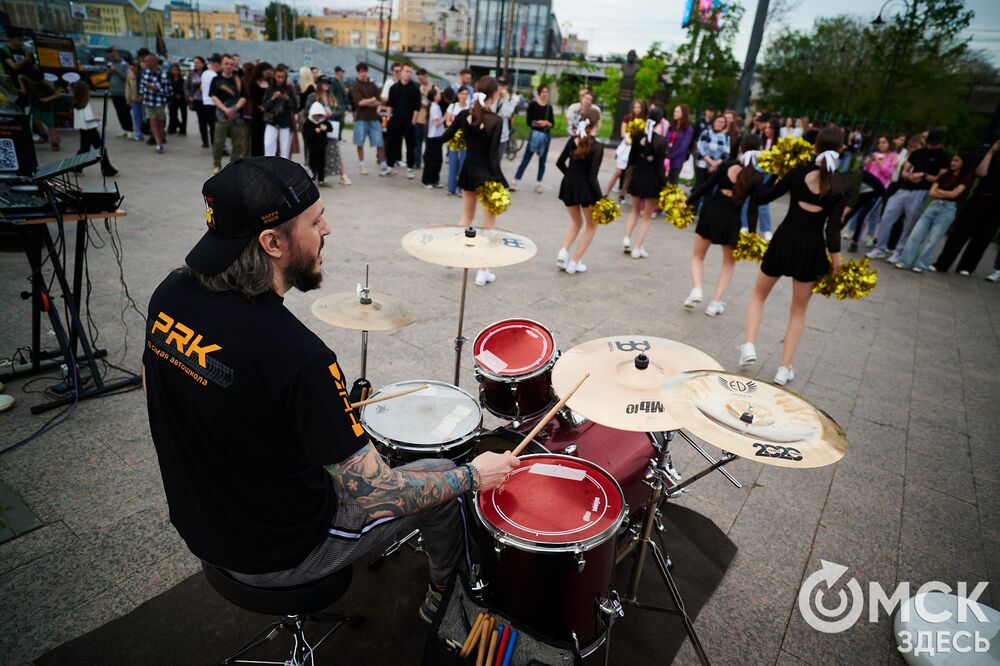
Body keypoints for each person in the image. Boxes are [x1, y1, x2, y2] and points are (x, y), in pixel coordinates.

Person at [142, 157, 518, 624]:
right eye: (316, 221)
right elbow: (380, 495)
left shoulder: (170, 294)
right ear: (273, 242)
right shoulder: (296, 355)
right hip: (279, 552)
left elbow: (161, 390)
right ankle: (449, 598)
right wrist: (474, 475)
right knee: (444, 476)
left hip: (200, 525)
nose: (328, 230)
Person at [739, 128, 849, 386]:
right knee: (798, 311)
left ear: (814, 147)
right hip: (811, 250)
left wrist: (776, 175)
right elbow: (832, 230)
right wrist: (837, 263)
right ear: (842, 149)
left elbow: (761, 198)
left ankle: (749, 345)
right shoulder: (841, 185)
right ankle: (783, 369)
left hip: (783, 241)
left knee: (758, 296)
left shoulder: (798, 172)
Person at [685, 135, 763, 316]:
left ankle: (697, 289)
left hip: (711, 214)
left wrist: (688, 202)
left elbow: (706, 186)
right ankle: (715, 303)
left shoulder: (727, 165)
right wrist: (751, 234)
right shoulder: (756, 176)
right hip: (731, 220)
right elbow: (753, 209)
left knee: (698, 256)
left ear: (741, 148)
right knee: (728, 264)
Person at [440, 77, 507, 286]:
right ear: (494, 94)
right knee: (489, 225)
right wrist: (500, 180)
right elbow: (493, 155)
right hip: (486, 176)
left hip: (468, 171)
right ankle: (483, 271)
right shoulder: (495, 120)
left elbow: (445, 137)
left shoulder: (464, 115)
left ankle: (451, 256)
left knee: (467, 215)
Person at [867, 128, 950, 263]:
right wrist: (910, 176)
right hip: (904, 189)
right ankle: (879, 248)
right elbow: (904, 171)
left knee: (909, 224)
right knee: (887, 217)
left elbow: (941, 178)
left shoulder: (943, 157)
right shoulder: (918, 153)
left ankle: (899, 252)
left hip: (921, 191)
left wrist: (923, 175)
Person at [933, 139, 1000, 276]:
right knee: (959, 232)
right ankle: (942, 263)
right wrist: (991, 151)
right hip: (980, 198)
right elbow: (980, 173)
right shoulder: (994, 157)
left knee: (983, 237)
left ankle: (967, 267)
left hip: (997, 206)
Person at [895, 153, 970, 272]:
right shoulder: (944, 175)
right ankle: (905, 261)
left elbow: (954, 194)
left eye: (956, 161)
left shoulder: (965, 177)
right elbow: (931, 192)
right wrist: (945, 193)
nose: (952, 163)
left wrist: (940, 191)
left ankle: (920, 265)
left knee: (933, 240)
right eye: (952, 160)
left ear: (963, 163)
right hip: (933, 206)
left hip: (948, 209)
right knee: (915, 235)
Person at [555, 108, 603, 275]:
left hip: (568, 186)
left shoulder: (573, 139)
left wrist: (570, 176)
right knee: (591, 226)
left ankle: (563, 252)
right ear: (597, 123)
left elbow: (559, 163)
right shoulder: (597, 146)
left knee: (576, 222)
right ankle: (574, 262)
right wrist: (601, 198)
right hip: (586, 190)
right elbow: (592, 177)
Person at [623, 109, 668, 259]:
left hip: (637, 177)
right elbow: (660, 167)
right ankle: (637, 248)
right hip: (651, 181)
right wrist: (664, 185)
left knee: (634, 211)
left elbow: (631, 159)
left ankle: (627, 238)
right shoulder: (661, 140)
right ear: (660, 122)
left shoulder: (637, 136)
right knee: (646, 216)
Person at [844, 135, 897, 252]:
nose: (881, 145)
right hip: (865, 188)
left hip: (877, 190)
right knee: (851, 211)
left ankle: (855, 242)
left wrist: (879, 163)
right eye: (879, 142)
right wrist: (867, 163)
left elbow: (889, 174)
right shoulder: (874, 154)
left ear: (889, 143)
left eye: (884, 142)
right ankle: (835, 233)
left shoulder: (893, 156)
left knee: (863, 216)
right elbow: (866, 172)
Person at [305, 76, 351, 186]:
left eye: (328, 83)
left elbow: (341, 110)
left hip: (330, 128)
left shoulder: (332, 97)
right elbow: (307, 112)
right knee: (314, 155)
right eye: (324, 82)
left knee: (335, 152)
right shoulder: (313, 97)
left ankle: (342, 175)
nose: (326, 85)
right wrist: (319, 115)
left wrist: (332, 114)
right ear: (319, 84)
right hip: (316, 130)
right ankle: (313, 177)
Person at [210, 54, 249, 174]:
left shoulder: (239, 80)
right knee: (218, 143)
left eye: (231, 64)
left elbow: (244, 97)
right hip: (221, 117)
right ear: (221, 64)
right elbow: (213, 96)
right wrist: (225, 109)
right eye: (226, 63)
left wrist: (234, 109)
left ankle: (232, 167)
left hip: (237, 117)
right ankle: (217, 164)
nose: (229, 66)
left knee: (237, 144)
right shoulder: (216, 80)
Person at [511, 84, 554, 194]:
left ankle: (538, 184)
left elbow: (552, 124)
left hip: (545, 136)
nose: (545, 94)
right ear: (539, 93)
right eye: (543, 91)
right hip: (534, 135)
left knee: (542, 161)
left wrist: (547, 123)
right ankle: (515, 181)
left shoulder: (549, 107)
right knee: (526, 159)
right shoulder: (533, 105)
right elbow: (528, 122)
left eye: (546, 92)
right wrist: (538, 123)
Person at [71, 81, 117, 177]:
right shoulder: (85, 103)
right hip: (90, 130)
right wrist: (98, 118)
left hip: (83, 129)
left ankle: (76, 167)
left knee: (84, 149)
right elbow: (88, 118)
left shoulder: (76, 103)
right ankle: (107, 169)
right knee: (100, 149)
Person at [350, 62, 388, 176]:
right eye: (361, 71)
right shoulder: (356, 86)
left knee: (380, 142)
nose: (363, 74)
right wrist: (372, 100)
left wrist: (368, 102)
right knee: (360, 143)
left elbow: (379, 101)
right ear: (358, 73)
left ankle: (384, 166)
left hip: (373, 118)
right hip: (360, 119)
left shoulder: (373, 85)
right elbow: (359, 103)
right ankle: (362, 166)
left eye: (365, 71)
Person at [606, 99, 647, 203]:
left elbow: (644, 135)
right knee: (618, 172)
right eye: (635, 107)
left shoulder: (644, 121)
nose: (637, 109)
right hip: (626, 146)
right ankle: (606, 193)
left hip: (635, 149)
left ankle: (622, 194)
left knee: (629, 173)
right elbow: (623, 132)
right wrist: (626, 138)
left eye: (639, 107)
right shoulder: (627, 118)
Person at [384, 64, 421, 178]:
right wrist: (388, 118)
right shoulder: (394, 88)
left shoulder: (415, 88)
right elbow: (389, 104)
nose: (408, 74)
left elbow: (417, 107)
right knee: (391, 144)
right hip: (395, 120)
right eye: (406, 71)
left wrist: (413, 121)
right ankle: (389, 166)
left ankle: (410, 168)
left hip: (409, 121)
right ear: (401, 72)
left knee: (410, 146)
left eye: (410, 72)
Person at [693, 114, 731, 211]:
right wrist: (711, 162)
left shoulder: (726, 137)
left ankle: (704, 213)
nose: (720, 124)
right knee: (699, 187)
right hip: (702, 165)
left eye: (722, 122)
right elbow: (700, 148)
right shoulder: (706, 132)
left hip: (715, 168)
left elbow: (726, 154)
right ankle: (693, 210)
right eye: (718, 121)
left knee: (710, 191)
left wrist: (715, 164)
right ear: (714, 122)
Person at [262, 64, 297, 159]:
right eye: (278, 76)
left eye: (282, 77)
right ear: (274, 76)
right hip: (271, 120)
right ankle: (269, 165)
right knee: (268, 145)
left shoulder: (289, 89)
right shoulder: (270, 89)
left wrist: (287, 98)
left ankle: (283, 167)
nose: (280, 79)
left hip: (285, 121)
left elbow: (294, 107)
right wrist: (273, 98)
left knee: (284, 149)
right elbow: (264, 106)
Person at [24, 68, 62, 151]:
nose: (29, 80)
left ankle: (54, 142)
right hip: (36, 107)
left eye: (31, 79)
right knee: (37, 122)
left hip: (47, 108)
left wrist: (47, 99)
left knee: (50, 125)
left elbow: (57, 94)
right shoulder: (29, 83)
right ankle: (44, 135)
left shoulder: (45, 86)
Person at [139, 54, 170, 153]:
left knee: (160, 122)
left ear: (154, 62)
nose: (145, 63)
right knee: (152, 121)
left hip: (159, 103)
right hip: (148, 102)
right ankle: (158, 144)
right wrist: (141, 95)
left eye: (147, 61)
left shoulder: (163, 74)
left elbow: (168, 91)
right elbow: (142, 86)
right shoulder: (145, 73)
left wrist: (155, 89)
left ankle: (161, 140)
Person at [444, 86, 470, 196]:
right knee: (453, 162)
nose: (464, 96)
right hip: (454, 138)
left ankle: (461, 187)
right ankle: (451, 188)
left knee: (463, 163)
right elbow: (447, 122)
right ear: (458, 95)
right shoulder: (452, 106)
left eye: (466, 94)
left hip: (465, 139)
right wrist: (456, 126)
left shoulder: (470, 108)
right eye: (462, 94)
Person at [246, 61, 273, 157]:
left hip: (269, 115)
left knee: (268, 139)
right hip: (257, 114)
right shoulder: (253, 84)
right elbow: (255, 99)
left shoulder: (271, 83)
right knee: (257, 137)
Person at [421, 87, 446, 189]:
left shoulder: (436, 106)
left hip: (437, 136)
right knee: (431, 160)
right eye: (438, 94)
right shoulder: (434, 108)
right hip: (433, 137)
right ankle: (426, 180)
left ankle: (435, 180)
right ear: (435, 96)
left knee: (438, 160)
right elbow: (436, 123)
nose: (440, 95)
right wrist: (445, 117)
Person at [106, 47, 133, 138]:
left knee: (126, 111)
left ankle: (130, 130)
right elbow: (107, 79)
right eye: (110, 56)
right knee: (119, 111)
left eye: (113, 56)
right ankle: (124, 129)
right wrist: (108, 72)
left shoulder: (124, 64)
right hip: (114, 92)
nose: (112, 58)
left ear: (117, 53)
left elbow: (127, 78)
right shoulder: (110, 64)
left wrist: (116, 71)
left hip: (123, 92)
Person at [302, 102, 331, 186]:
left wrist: (326, 128)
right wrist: (314, 131)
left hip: (322, 146)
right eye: (316, 116)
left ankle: (321, 179)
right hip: (312, 147)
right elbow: (306, 135)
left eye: (319, 116)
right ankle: (313, 178)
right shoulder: (308, 122)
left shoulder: (324, 121)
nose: (318, 118)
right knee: (313, 163)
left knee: (322, 162)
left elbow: (330, 128)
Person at [666, 104, 694, 184]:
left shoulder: (688, 129)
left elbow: (683, 148)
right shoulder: (672, 126)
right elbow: (666, 139)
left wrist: (670, 156)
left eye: (677, 111)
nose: (675, 113)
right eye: (675, 111)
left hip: (676, 159)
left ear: (683, 113)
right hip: (666, 157)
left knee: (673, 182)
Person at [185, 57, 210, 148]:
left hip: (209, 101)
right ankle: (205, 141)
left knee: (211, 122)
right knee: (202, 122)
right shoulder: (191, 73)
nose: (196, 64)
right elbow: (186, 86)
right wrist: (189, 96)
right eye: (195, 63)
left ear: (203, 63)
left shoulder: (208, 73)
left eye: (198, 63)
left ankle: (214, 140)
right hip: (198, 100)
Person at [199, 54, 222, 147]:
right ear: (216, 64)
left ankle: (206, 142)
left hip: (204, 102)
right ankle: (215, 143)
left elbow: (201, 88)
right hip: (213, 103)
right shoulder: (215, 76)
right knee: (214, 127)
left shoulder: (204, 73)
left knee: (204, 124)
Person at [414, 69, 433, 170]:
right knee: (417, 142)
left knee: (428, 144)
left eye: (421, 79)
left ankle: (427, 162)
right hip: (418, 119)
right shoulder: (418, 87)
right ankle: (417, 162)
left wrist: (422, 99)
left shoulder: (433, 87)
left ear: (426, 76)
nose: (420, 81)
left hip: (428, 120)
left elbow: (433, 103)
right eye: (418, 79)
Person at [495, 77, 516, 162]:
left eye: (504, 85)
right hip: (490, 134)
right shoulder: (492, 98)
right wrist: (497, 97)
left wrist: (504, 99)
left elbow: (506, 113)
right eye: (499, 85)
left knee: (497, 161)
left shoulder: (510, 101)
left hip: (503, 135)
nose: (501, 87)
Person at [124, 60, 144, 143]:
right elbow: (127, 87)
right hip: (133, 99)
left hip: (143, 99)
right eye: (132, 66)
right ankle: (138, 133)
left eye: (135, 66)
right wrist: (127, 98)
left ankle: (145, 132)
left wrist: (142, 96)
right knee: (136, 117)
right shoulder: (130, 75)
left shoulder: (143, 75)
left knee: (144, 117)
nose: (133, 68)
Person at [167, 64, 187, 136]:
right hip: (172, 99)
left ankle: (183, 129)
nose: (174, 71)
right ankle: (173, 127)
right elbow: (168, 90)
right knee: (172, 114)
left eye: (176, 70)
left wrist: (180, 94)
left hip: (182, 99)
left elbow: (184, 89)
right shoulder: (168, 80)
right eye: (173, 70)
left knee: (184, 114)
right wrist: (173, 96)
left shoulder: (182, 80)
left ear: (179, 71)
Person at [330, 66, 348, 140]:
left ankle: (339, 136)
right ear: (337, 72)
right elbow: (332, 93)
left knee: (342, 122)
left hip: (342, 104)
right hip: (337, 104)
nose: (342, 73)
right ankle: (336, 137)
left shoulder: (341, 81)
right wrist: (334, 103)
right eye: (341, 72)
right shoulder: (333, 81)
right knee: (338, 121)